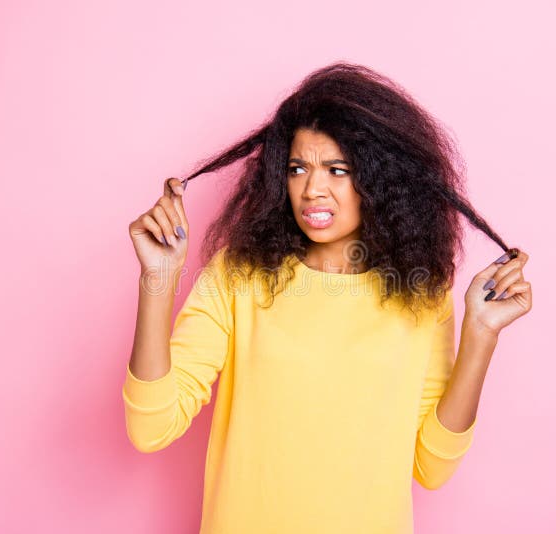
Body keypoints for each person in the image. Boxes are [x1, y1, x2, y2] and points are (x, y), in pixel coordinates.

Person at [122, 62, 533, 534]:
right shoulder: (240, 276)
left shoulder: (421, 295)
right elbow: (151, 428)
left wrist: (479, 334)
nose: (312, 190)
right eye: (298, 169)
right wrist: (157, 279)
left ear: (381, 180)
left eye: (338, 170)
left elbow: (432, 468)